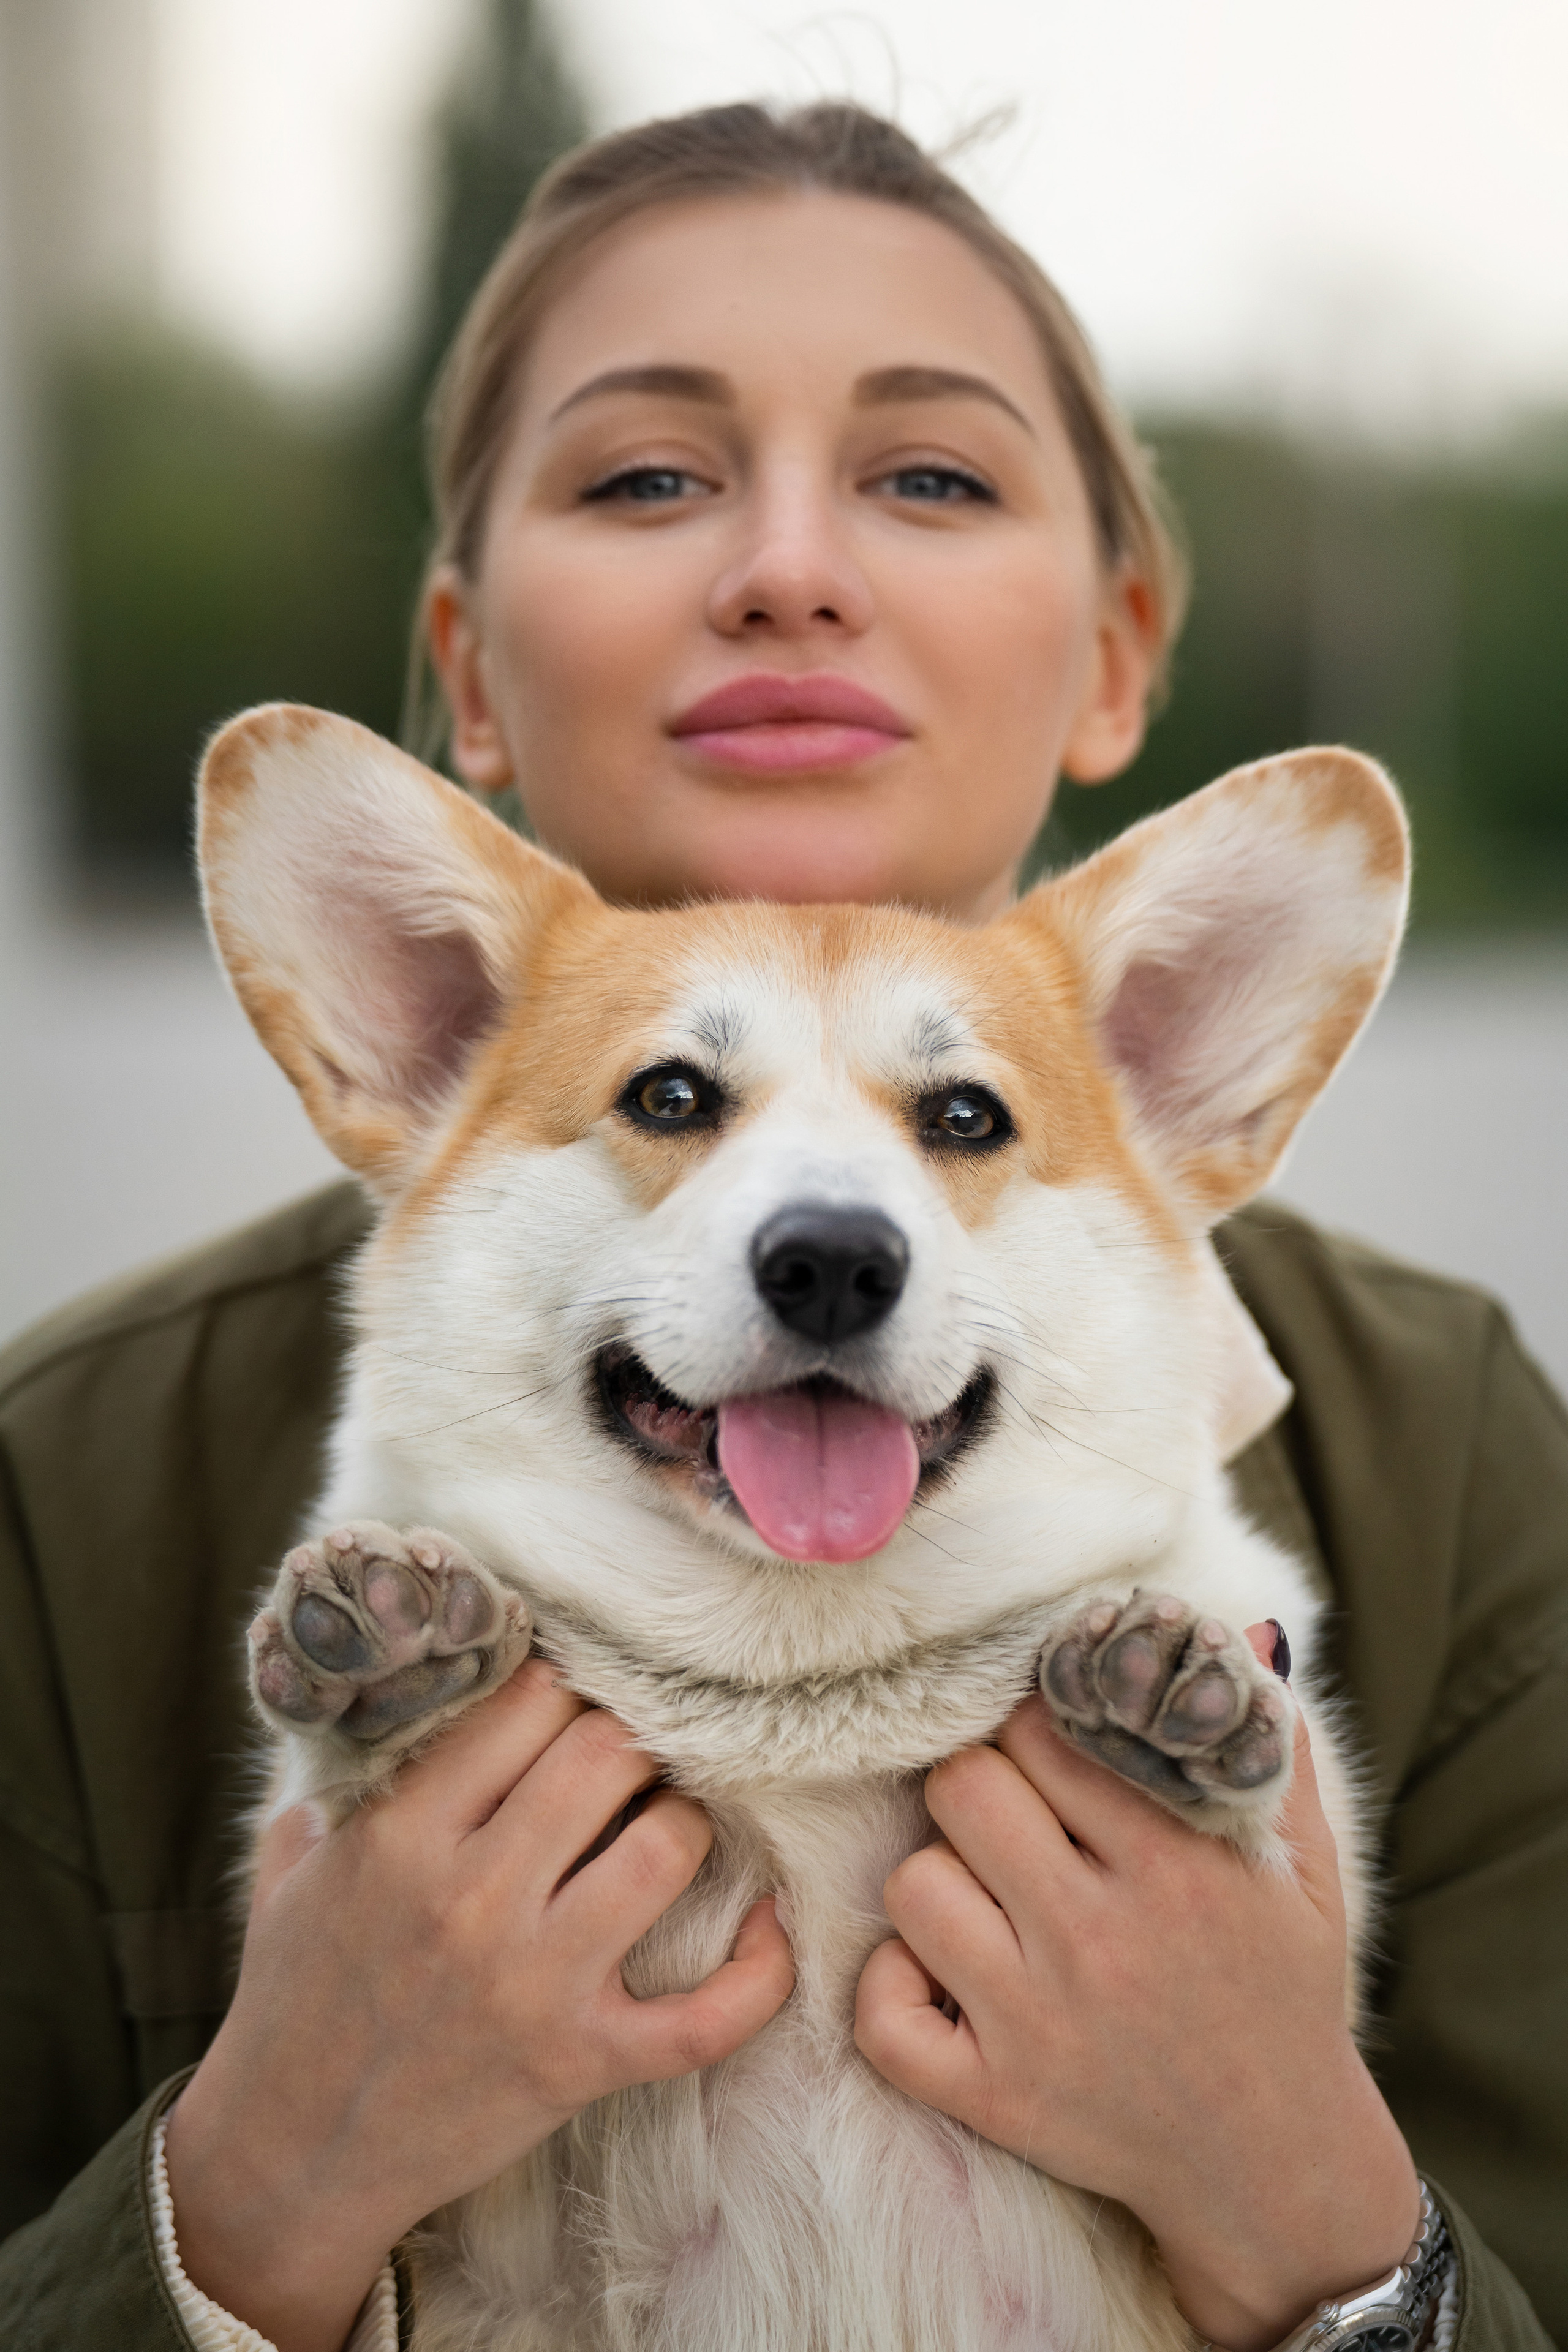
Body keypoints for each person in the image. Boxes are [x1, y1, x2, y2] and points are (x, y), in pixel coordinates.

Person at [1, 101, 1562, 2352]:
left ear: (1117, 650)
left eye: (930, 475)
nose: (792, 571)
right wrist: (249, 2195)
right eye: (650, 476)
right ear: (466, 659)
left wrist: (1305, 2204)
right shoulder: (63, 1487)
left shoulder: (1468, 1464)